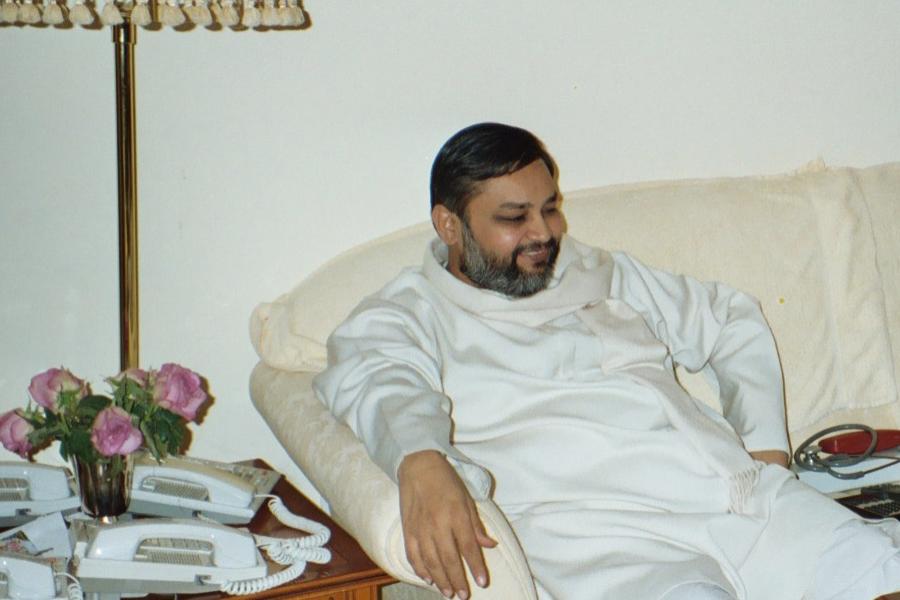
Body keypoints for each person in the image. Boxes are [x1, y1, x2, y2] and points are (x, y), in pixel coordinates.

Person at [313, 123, 900, 600]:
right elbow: (378, 378)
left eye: (550, 208)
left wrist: (766, 447)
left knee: (874, 567)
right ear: (449, 225)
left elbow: (729, 319)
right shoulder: (407, 311)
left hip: (730, 496)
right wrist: (420, 459)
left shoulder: (599, 271)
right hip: (599, 537)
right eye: (514, 218)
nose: (543, 233)